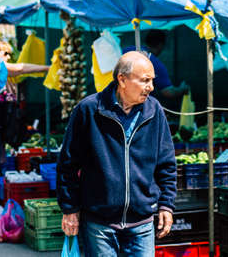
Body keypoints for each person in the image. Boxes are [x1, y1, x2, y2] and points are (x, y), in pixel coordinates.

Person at [57, 51, 177, 256]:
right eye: (145, 81)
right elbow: (67, 164)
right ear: (122, 79)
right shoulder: (89, 110)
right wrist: (70, 209)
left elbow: (166, 162)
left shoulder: (154, 110)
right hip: (99, 222)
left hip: (142, 222)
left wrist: (166, 205)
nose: (151, 87)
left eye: (152, 81)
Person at [0, 39, 50, 201]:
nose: (8, 57)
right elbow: (20, 68)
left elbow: (18, 70)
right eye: (5, 53)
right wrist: (47, 68)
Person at [123, 29, 189, 100]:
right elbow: (168, 92)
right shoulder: (154, 63)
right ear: (161, 45)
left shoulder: (126, 50)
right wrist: (182, 89)